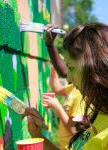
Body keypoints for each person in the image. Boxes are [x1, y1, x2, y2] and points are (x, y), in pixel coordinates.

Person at [25, 22, 108, 150]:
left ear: (95, 68)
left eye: (71, 67)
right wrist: (37, 135)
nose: (68, 77)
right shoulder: (99, 112)